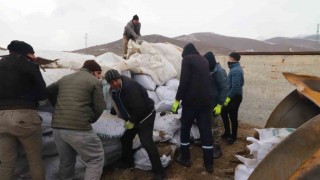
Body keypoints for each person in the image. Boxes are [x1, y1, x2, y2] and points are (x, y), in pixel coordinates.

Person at [47, 60, 106, 180]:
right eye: (99, 73)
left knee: (66, 161)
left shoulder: (65, 78)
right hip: (79, 128)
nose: (100, 76)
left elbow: (48, 91)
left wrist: (57, 106)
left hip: (58, 128)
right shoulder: (94, 81)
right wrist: (91, 119)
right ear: (92, 71)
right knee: (95, 159)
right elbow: (100, 107)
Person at [105, 69, 165, 180]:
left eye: (116, 80)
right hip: (133, 117)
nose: (114, 84)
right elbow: (120, 101)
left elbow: (139, 108)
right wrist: (113, 112)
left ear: (120, 78)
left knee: (146, 142)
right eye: (111, 82)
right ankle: (128, 162)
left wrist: (132, 122)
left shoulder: (129, 88)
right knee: (125, 138)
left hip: (145, 116)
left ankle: (159, 171)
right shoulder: (116, 89)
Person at [0, 40, 47, 180]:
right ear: (26, 53)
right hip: (25, 115)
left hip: (1, 117)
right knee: (35, 161)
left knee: (6, 164)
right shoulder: (29, 66)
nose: (34, 56)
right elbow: (42, 94)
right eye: (32, 53)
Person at [172, 43, 214, 173]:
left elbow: (184, 81)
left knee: (185, 129)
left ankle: (185, 158)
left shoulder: (187, 59)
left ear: (186, 53)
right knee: (206, 132)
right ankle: (209, 164)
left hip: (191, 103)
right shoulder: (204, 60)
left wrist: (177, 100)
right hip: (206, 102)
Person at [203, 51, 228, 159]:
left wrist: (220, 104)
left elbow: (225, 88)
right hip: (208, 103)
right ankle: (209, 143)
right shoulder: (209, 70)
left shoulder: (219, 72)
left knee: (215, 127)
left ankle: (217, 148)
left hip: (215, 104)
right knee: (208, 125)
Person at [221, 52, 244, 145]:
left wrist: (228, 98)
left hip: (234, 97)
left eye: (229, 57)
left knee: (233, 117)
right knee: (224, 112)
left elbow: (236, 86)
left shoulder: (236, 71)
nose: (228, 59)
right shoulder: (234, 69)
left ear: (232, 59)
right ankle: (227, 133)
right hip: (231, 96)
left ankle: (233, 137)